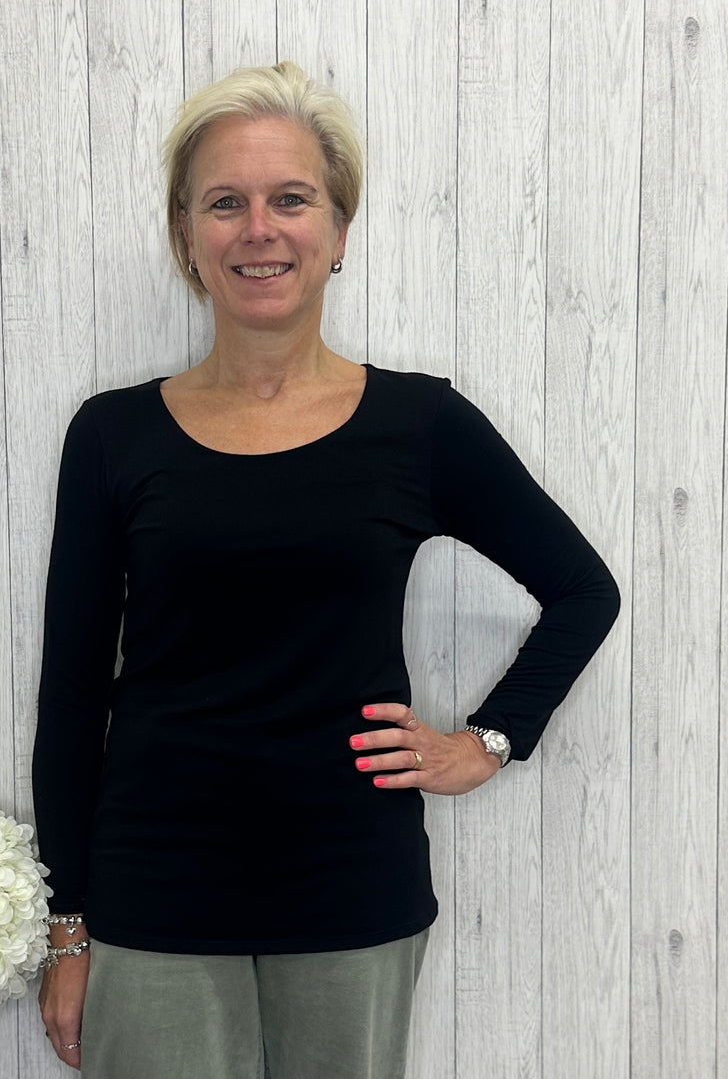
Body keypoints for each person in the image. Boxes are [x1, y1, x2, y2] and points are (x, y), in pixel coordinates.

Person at [32, 61, 619, 1079]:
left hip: (352, 889)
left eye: (292, 199)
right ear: (185, 235)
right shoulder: (113, 436)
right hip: (155, 893)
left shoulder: (420, 425)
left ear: (339, 230)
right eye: (226, 202)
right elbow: (74, 693)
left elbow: (583, 591)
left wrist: (487, 741)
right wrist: (68, 928)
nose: (259, 229)